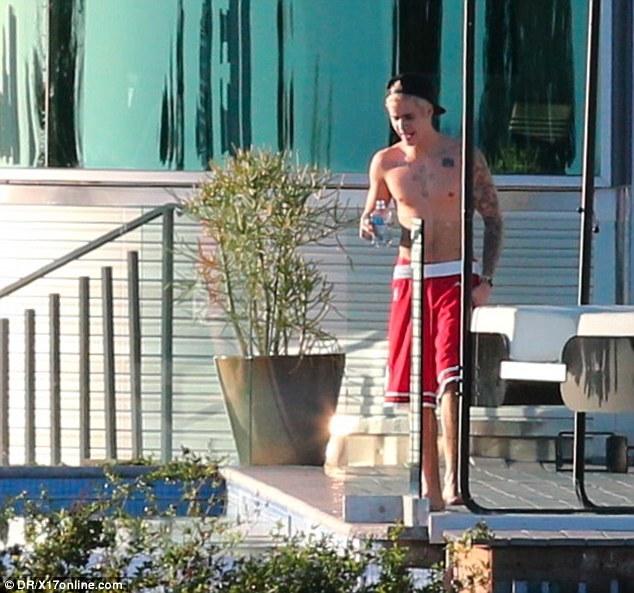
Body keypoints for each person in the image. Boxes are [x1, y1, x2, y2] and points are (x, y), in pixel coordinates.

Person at [360, 73, 503, 511]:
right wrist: (371, 224)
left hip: (454, 273)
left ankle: (456, 477)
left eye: (408, 116)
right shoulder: (386, 162)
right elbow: (373, 213)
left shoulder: (462, 156)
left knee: (450, 378)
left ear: (428, 111)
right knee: (415, 387)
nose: (402, 126)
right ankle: (431, 488)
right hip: (410, 275)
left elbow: (493, 219)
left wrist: (486, 279)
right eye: (395, 118)